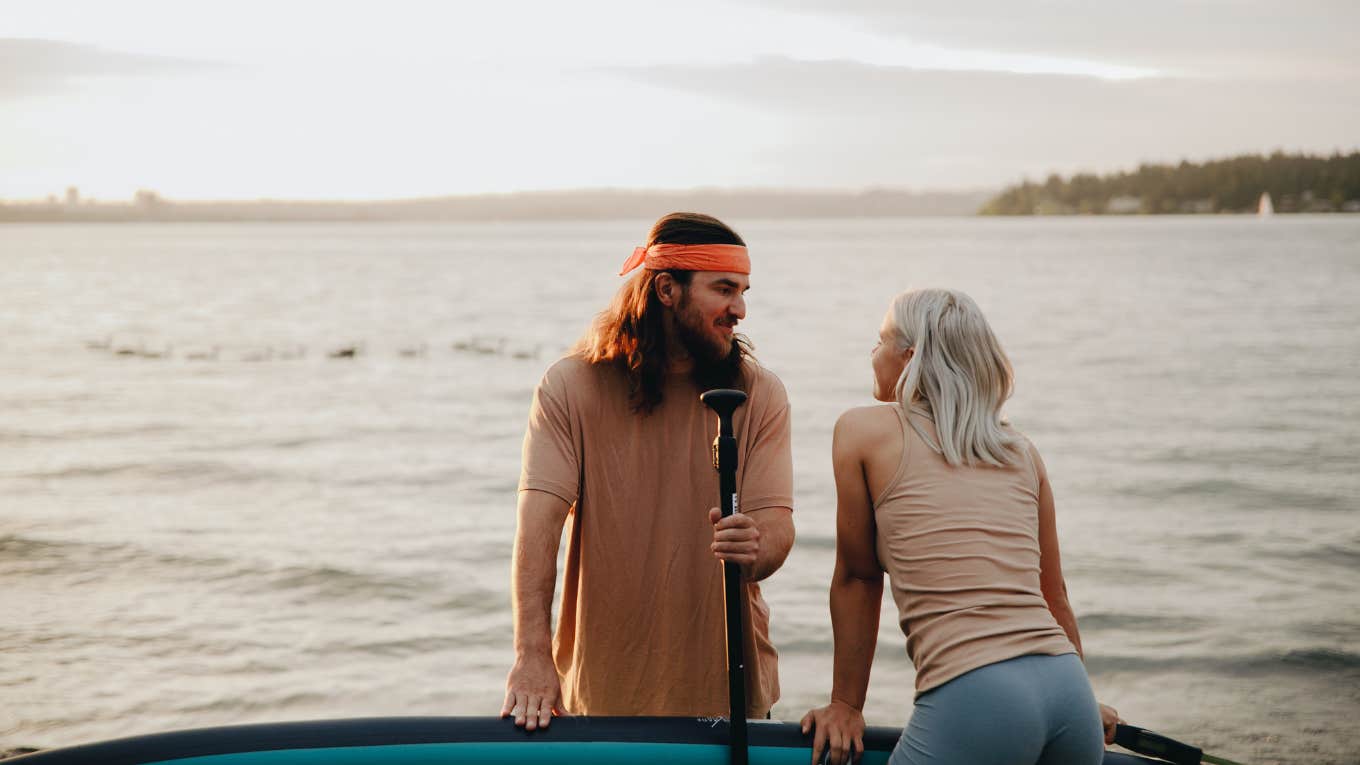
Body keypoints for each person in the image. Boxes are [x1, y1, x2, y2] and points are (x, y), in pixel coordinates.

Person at [501, 212, 796, 730]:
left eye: (744, 291)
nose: (740, 309)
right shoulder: (571, 386)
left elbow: (777, 526)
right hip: (602, 694)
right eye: (724, 289)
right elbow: (538, 525)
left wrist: (757, 546)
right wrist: (531, 654)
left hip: (730, 696)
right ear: (666, 289)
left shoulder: (759, 392)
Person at [800, 289, 1121, 765]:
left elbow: (858, 577)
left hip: (978, 697)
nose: (873, 353)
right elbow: (1053, 595)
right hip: (1068, 689)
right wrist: (1083, 699)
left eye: (880, 340)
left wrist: (846, 706)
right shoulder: (1020, 451)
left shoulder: (861, 431)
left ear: (909, 358)